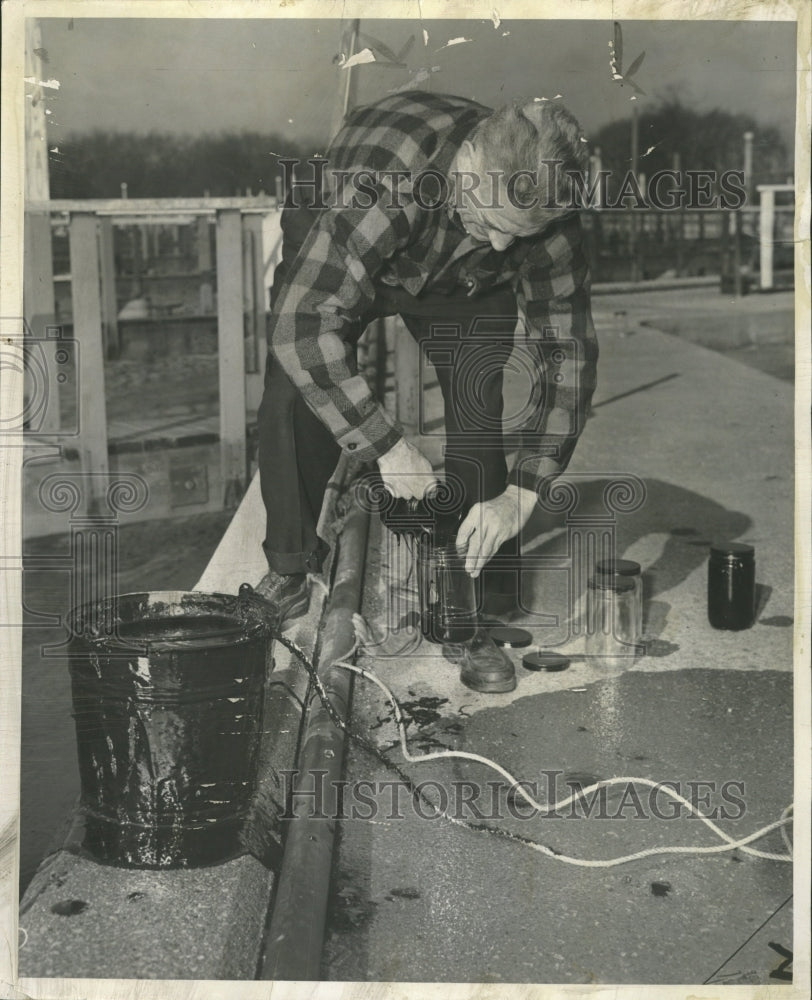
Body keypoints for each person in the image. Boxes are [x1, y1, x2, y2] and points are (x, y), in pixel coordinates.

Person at [257, 91, 598, 693]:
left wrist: (526, 490)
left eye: (516, 235)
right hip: (348, 232)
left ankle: (472, 603)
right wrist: (385, 445)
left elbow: (567, 356)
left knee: (476, 404)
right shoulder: (385, 182)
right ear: (466, 164)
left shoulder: (545, 221)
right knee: (293, 389)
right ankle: (288, 567)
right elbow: (301, 325)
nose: (500, 246)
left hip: (458, 277)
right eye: (494, 223)